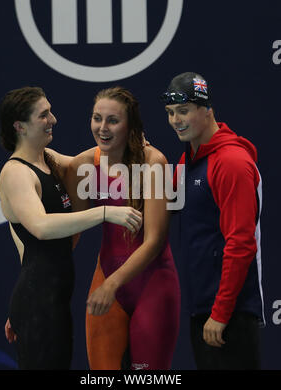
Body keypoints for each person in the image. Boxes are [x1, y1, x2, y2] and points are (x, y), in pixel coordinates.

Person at [0, 86, 142, 370]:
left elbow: (87, 160)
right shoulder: (16, 173)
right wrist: (103, 212)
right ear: (20, 127)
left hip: (50, 301)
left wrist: (129, 141)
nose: (53, 119)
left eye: (50, 111)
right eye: (44, 115)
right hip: (38, 303)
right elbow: (40, 226)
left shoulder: (47, 158)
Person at [66, 86, 181, 370]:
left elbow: (154, 241)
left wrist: (112, 284)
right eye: (97, 118)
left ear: (130, 125)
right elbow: (73, 233)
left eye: (112, 120)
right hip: (105, 278)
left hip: (153, 285)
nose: (102, 128)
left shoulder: (154, 162)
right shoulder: (84, 165)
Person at [161, 72, 265, 370]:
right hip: (203, 309)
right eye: (170, 113)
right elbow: (161, 210)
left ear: (207, 110)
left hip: (230, 314)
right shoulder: (188, 160)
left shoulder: (231, 162)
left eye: (184, 111)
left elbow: (241, 243)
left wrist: (220, 313)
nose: (175, 120)